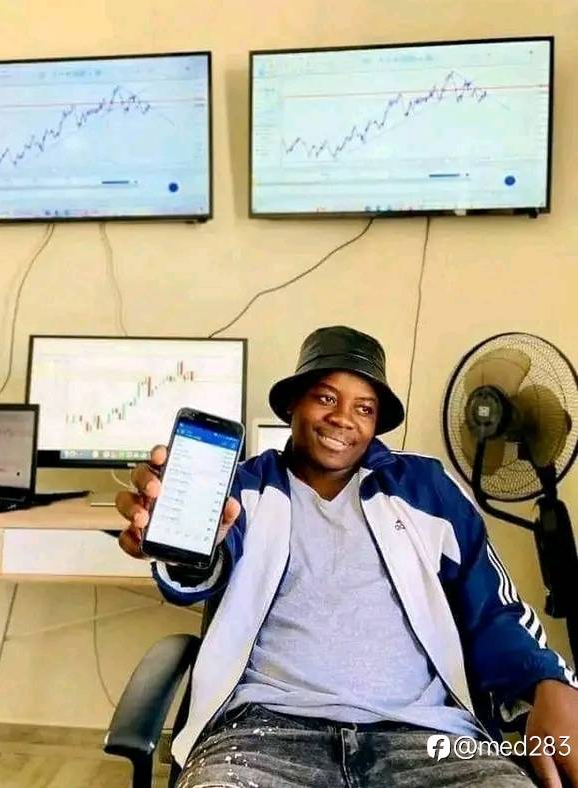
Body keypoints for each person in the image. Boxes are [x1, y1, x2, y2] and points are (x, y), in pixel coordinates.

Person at [116, 325, 578, 788]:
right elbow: (200, 568)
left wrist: (548, 681)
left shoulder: (427, 490)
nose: (343, 419)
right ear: (293, 404)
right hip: (262, 737)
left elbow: (494, 608)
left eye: (364, 408)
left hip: (429, 738)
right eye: (326, 398)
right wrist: (177, 545)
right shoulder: (243, 489)